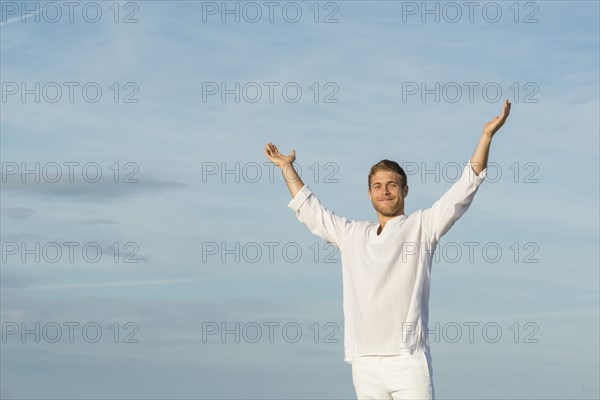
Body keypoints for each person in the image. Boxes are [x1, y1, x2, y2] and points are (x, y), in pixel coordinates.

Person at [263, 99, 511, 400]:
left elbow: (463, 189)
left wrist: (486, 137)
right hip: (364, 361)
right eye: (378, 185)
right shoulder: (353, 234)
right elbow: (311, 210)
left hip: (407, 359)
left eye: (392, 185)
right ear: (369, 193)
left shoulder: (422, 226)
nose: (385, 191)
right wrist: (287, 168)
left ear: (405, 191)